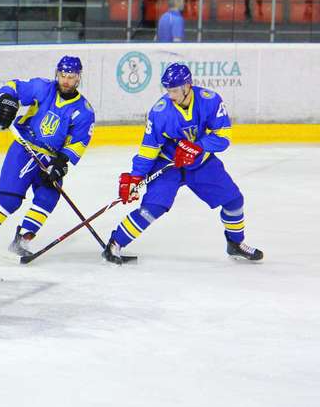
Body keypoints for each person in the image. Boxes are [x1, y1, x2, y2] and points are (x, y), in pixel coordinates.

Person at [102, 63, 264, 264]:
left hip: (200, 163)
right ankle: (114, 244)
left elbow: (223, 136)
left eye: (175, 90)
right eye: (168, 90)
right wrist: (136, 176)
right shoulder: (160, 112)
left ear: (188, 86)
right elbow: (149, 149)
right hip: (168, 165)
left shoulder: (210, 101)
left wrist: (198, 147)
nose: (171, 95)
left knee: (234, 200)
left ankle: (235, 243)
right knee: (152, 208)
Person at [0, 55, 95, 257]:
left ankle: (22, 240)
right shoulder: (43, 88)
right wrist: (6, 101)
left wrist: (61, 163)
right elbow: (13, 86)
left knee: (48, 196)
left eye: (71, 76)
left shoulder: (84, 111)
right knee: (10, 198)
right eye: (62, 75)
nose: (66, 80)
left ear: (79, 77)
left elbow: (78, 143)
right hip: (24, 148)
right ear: (57, 74)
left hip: (50, 159)